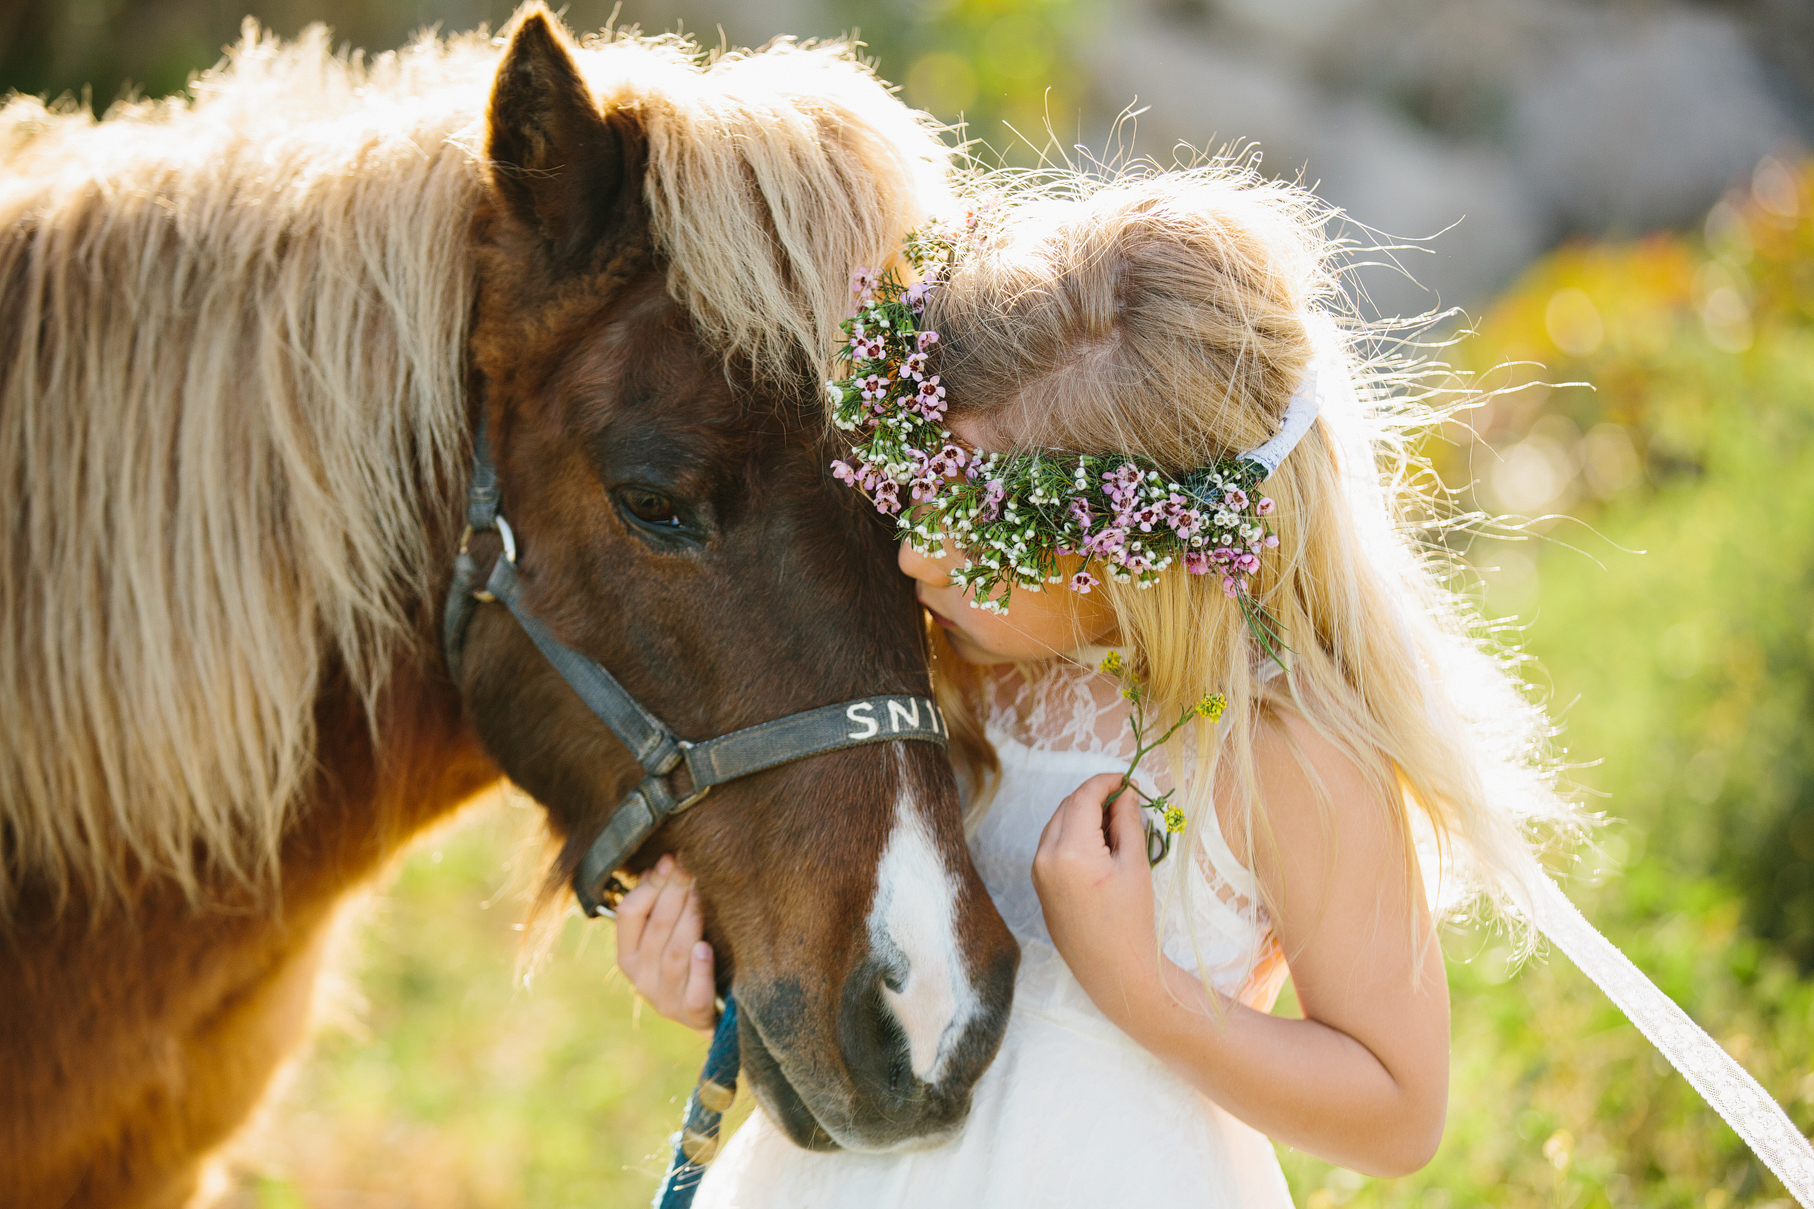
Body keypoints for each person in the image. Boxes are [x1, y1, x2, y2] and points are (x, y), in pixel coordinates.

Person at [613, 165, 1586, 1206]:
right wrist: (731, 993)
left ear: (1141, 552)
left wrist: (1141, 991)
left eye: (975, 531)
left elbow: (1398, 1112)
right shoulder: (943, 683)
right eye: (912, 493)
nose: (915, 560)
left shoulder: (1278, 751)